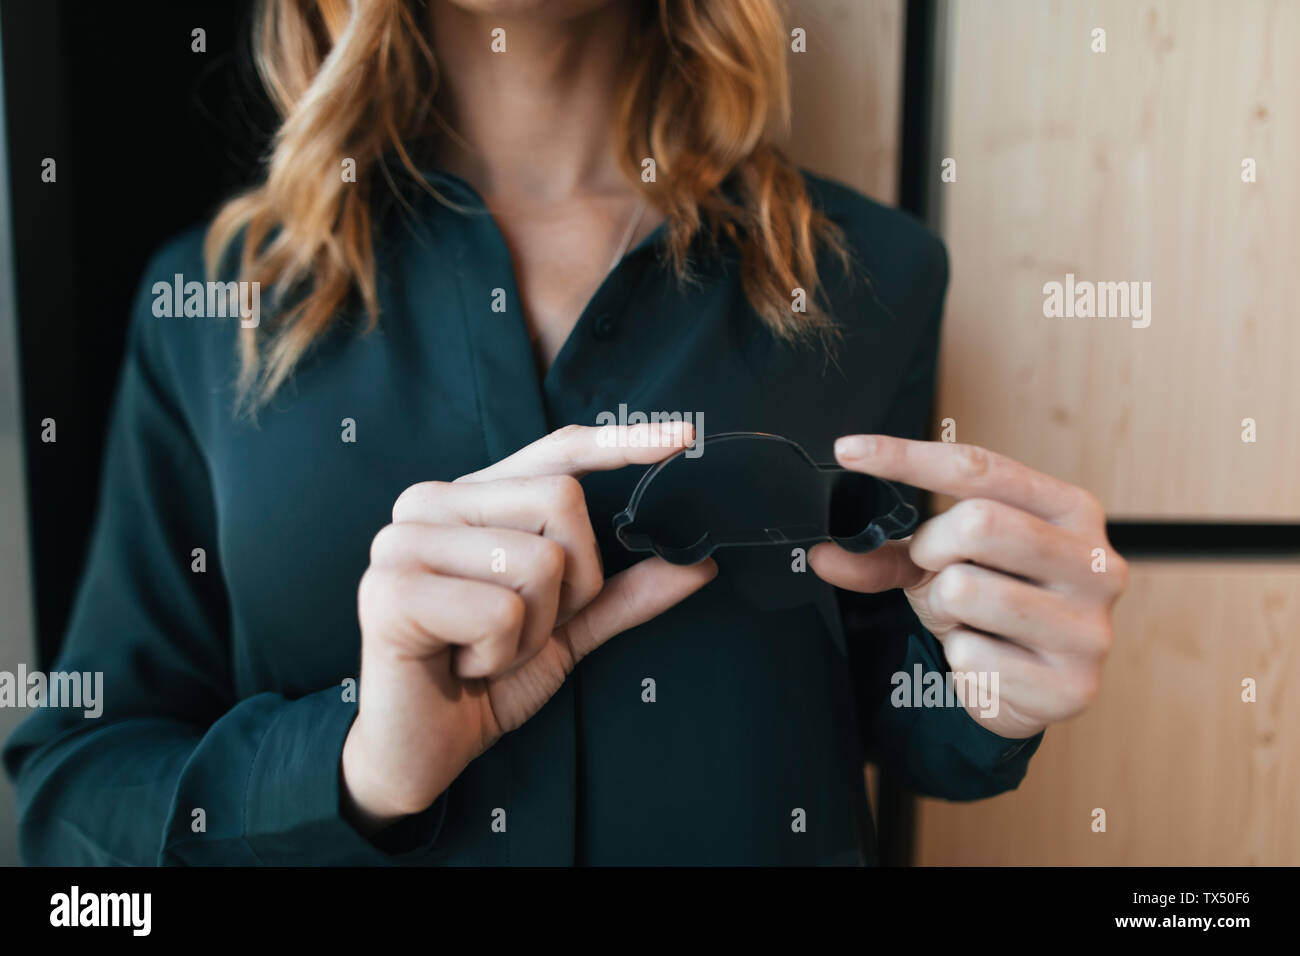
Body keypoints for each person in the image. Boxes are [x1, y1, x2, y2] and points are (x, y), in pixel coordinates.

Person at [3, 0, 1126, 865]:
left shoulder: (872, 273)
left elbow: (891, 702)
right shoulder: (211, 306)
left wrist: (997, 682)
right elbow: (70, 805)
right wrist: (352, 768)